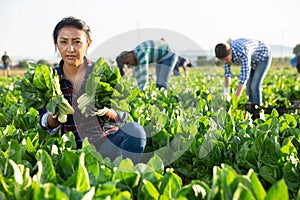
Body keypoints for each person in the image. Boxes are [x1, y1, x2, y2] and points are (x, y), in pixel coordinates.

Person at [38, 16, 146, 164]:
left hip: (106, 144)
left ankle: (122, 175)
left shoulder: (103, 72)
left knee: (135, 131)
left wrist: (105, 110)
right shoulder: (49, 78)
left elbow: (123, 116)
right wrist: (54, 113)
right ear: (57, 45)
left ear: (88, 44)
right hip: (71, 149)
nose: (70, 48)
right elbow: (45, 124)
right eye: (63, 42)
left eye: (77, 42)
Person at [215, 38, 272, 119]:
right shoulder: (225, 54)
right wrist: (226, 90)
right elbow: (227, 73)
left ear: (230, 51)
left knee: (254, 86)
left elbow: (243, 78)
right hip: (252, 59)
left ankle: (257, 115)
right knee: (248, 87)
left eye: (226, 59)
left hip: (263, 56)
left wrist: (236, 99)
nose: (224, 61)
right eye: (222, 60)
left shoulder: (242, 52)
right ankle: (250, 112)